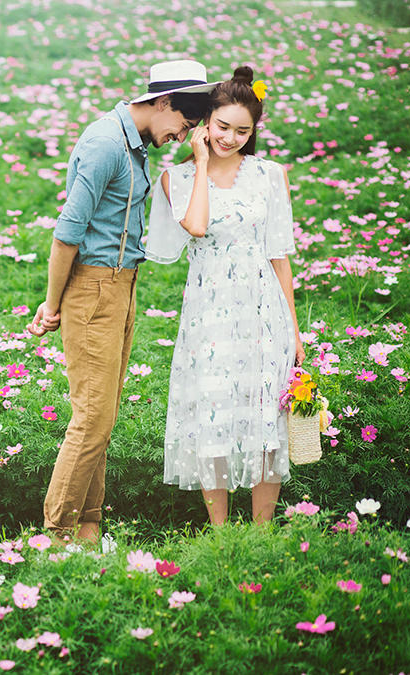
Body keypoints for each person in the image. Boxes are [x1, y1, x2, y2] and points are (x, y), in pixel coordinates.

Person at [28, 60, 215, 547]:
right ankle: (57, 535)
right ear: (164, 103)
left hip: (120, 287)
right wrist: (51, 305)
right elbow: (67, 234)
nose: (181, 134)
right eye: (184, 123)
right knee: (91, 415)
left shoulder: (133, 146)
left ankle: (88, 528)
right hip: (93, 288)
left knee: (103, 415)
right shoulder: (106, 144)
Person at [145, 66, 305, 525]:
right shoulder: (176, 179)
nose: (230, 138)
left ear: (254, 131)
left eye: (242, 130)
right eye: (222, 127)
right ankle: (221, 536)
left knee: (263, 419)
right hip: (209, 312)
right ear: (204, 123)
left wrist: (294, 331)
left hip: (263, 311)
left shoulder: (270, 175)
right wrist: (199, 165)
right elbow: (196, 226)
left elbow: (279, 256)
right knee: (212, 413)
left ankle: (260, 532)